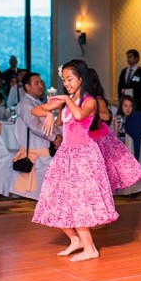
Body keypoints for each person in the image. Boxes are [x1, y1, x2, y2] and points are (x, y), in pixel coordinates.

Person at [31, 59, 118, 262]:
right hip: (66, 155)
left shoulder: (90, 101)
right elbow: (34, 111)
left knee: (78, 201)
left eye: (70, 79)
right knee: (54, 198)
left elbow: (79, 115)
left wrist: (64, 101)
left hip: (84, 155)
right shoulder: (66, 100)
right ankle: (75, 240)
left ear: (81, 78)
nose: (67, 83)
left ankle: (90, 248)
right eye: (64, 79)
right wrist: (49, 114)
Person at [86, 68, 141, 192]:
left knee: (99, 178)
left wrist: (90, 116)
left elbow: (107, 116)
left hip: (99, 139)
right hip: (89, 139)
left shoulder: (97, 100)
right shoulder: (83, 99)